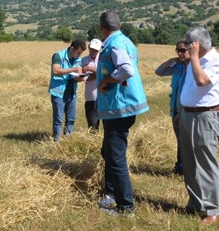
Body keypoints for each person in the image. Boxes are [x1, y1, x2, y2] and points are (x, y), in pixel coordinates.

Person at [95, 11, 149, 217]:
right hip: (118, 107)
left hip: (119, 107)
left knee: (116, 158)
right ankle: (111, 193)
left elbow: (127, 69)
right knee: (108, 152)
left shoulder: (114, 44)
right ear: (120, 24)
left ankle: (126, 207)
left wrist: (107, 80)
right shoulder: (126, 41)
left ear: (101, 27)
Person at [178, 27, 219, 225]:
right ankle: (195, 202)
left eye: (189, 43)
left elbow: (201, 81)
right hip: (187, 115)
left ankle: (213, 209)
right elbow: (190, 89)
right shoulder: (194, 61)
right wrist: (181, 111)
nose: (185, 45)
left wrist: (194, 58)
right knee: (189, 161)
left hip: (206, 116)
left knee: (206, 163)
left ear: (197, 45)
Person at [154, 40, 190, 175]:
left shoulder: (194, 69)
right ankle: (180, 166)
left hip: (187, 110)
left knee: (187, 140)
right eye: (178, 50)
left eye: (183, 50)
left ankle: (186, 167)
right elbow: (159, 71)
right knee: (180, 139)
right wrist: (172, 60)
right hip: (175, 108)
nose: (180, 53)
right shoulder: (178, 67)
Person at [48, 39, 86, 142]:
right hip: (58, 92)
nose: (79, 55)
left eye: (81, 53)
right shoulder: (58, 56)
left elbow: (74, 76)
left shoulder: (78, 59)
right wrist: (72, 70)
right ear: (72, 48)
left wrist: (79, 78)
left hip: (71, 93)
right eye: (78, 52)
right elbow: (56, 71)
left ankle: (67, 140)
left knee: (71, 119)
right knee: (58, 119)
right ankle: (57, 141)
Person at [81, 38, 103, 131]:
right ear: (89, 47)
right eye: (92, 49)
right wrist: (99, 74)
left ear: (100, 49)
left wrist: (91, 69)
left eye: (96, 50)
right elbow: (84, 78)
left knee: (109, 126)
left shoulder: (104, 59)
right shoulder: (83, 60)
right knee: (93, 126)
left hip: (105, 96)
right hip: (91, 97)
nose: (93, 51)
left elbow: (107, 74)